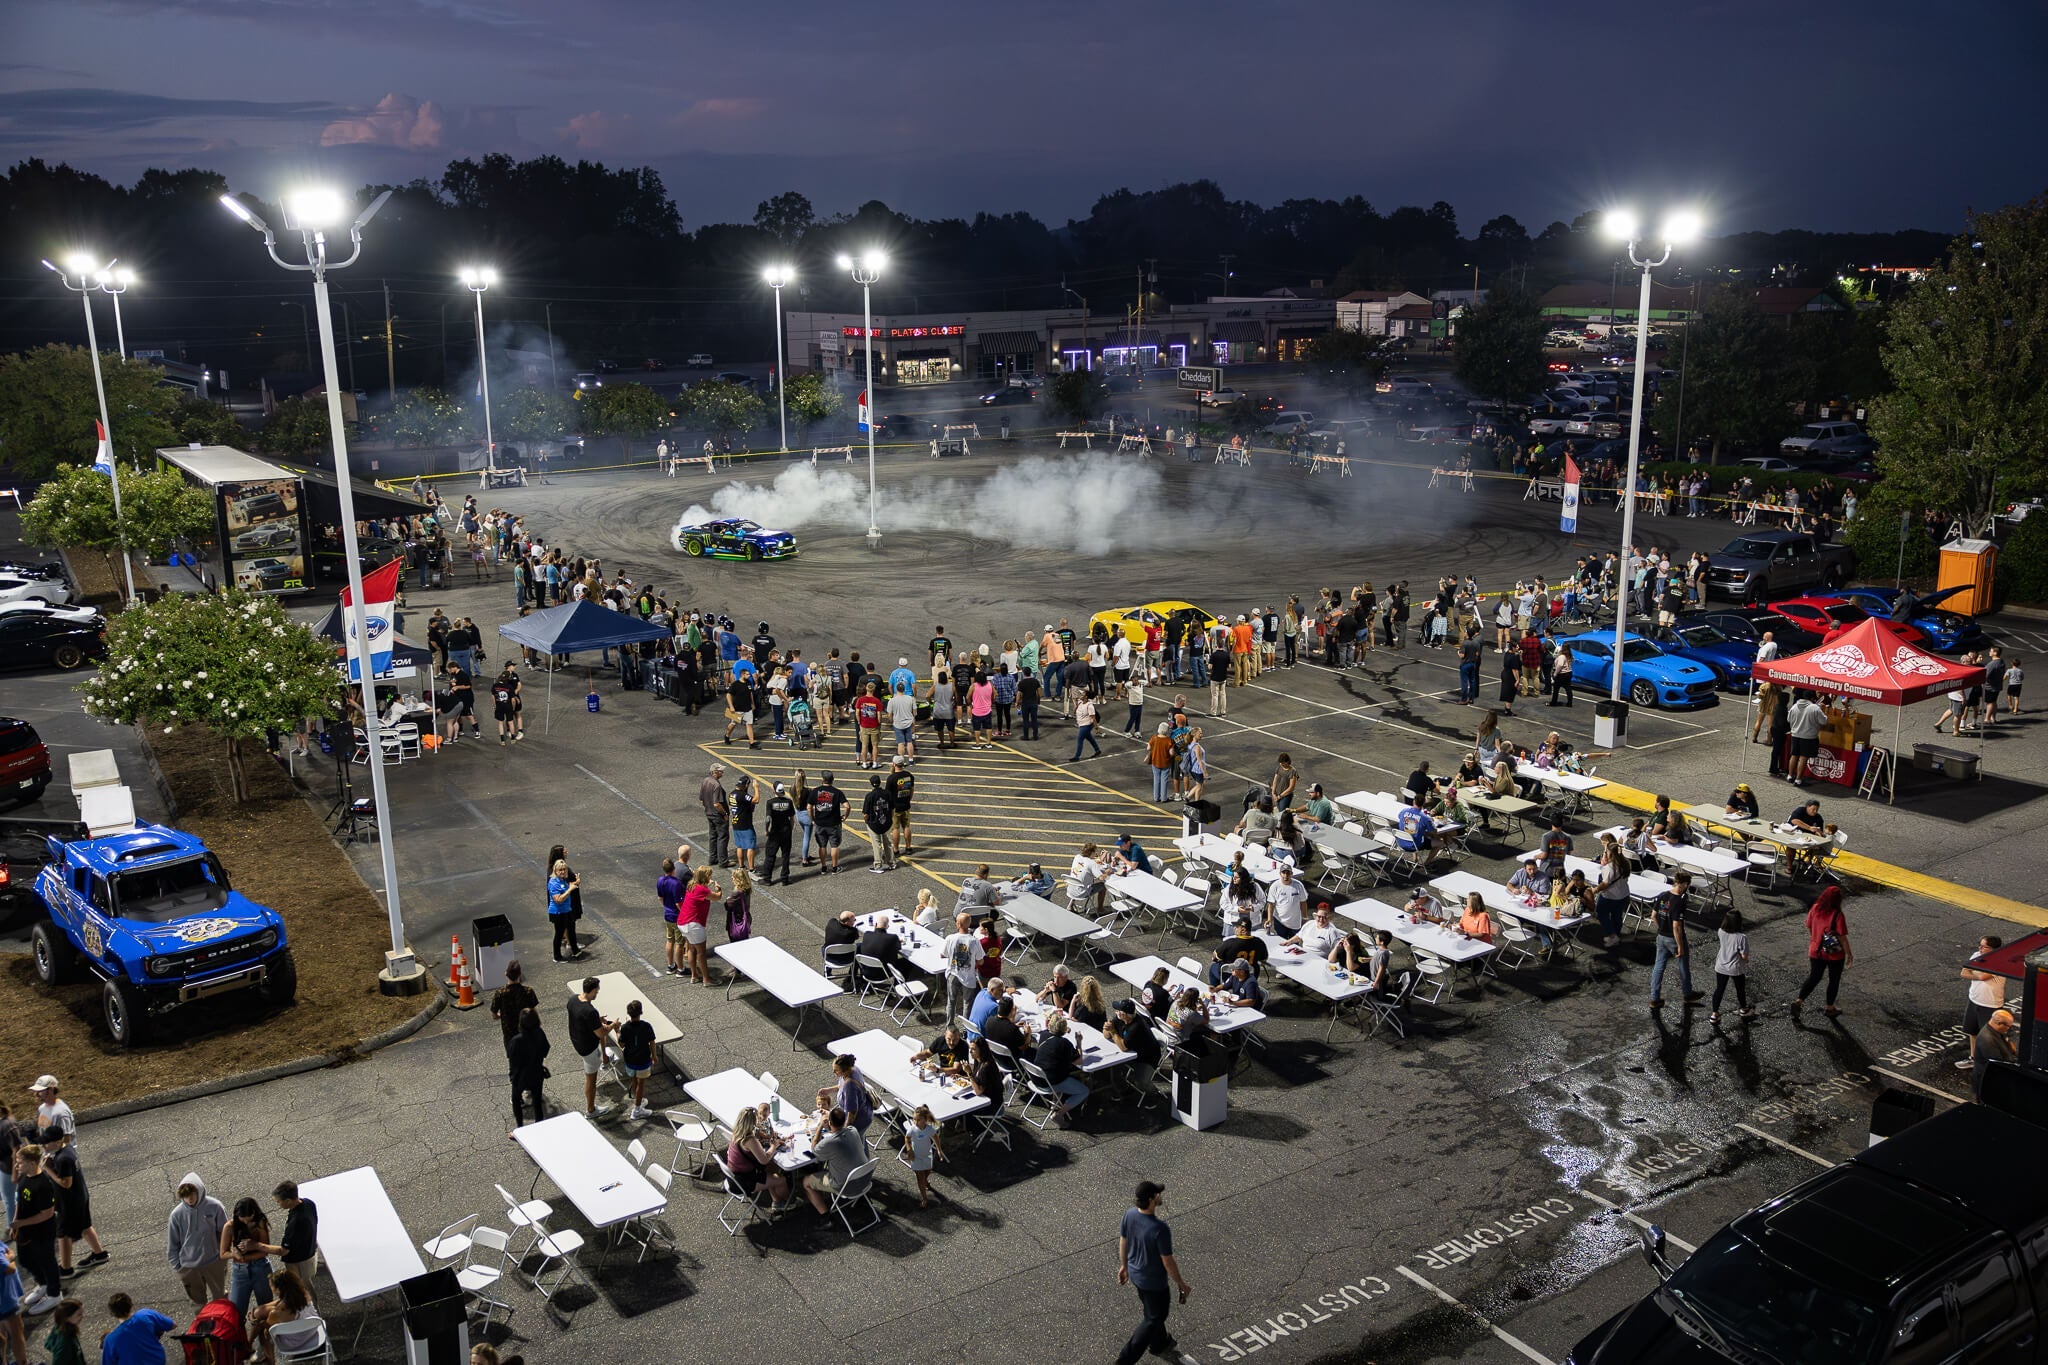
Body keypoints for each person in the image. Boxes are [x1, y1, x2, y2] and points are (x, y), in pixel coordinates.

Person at [1114, 1181, 1193, 1365]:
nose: (1160, 1196)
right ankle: (1125, 1360)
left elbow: (1123, 1240)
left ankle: (1159, 1343)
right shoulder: (1160, 1228)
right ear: (1151, 1200)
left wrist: (1124, 1266)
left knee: (1151, 1311)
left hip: (1135, 1275)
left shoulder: (1130, 1215)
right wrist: (1181, 1283)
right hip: (1154, 1283)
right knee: (1154, 1318)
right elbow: (1167, 1261)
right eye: (1157, 1194)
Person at [166, 1173, 229, 1308]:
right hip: (189, 1266)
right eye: (185, 1196)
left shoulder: (215, 1206)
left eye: (192, 1194)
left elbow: (225, 1232)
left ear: (199, 1190)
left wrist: (222, 1257)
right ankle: (203, 1327)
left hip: (213, 1261)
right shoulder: (176, 1215)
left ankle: (223, 1325)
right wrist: (179, 1267)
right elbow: (173, 1243)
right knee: (198, 1304)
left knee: (220, 1298)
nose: (189, 1199)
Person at [1792, 886, 1852, 1017]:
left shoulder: (1815, 908)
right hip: (1834, 954)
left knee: (1814, 977)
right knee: (1833, 980)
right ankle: (1830, 1008)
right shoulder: (1837, 915)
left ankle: (1799, 1001)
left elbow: (1809, 926)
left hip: (1816, 950)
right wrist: (1849, 954)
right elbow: (1842, 938)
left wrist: (1815, 939)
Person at [1648, 873, 1703, 1009]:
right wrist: (1680, 946)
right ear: (1684, 884)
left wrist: (1661, 928)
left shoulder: (1663, 895)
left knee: (1658, 967)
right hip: (1674, 938)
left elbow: (1653, 915)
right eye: (1687, 885)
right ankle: (1687, 994)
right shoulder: (1679, 901)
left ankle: (1654, 998)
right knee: (1683, 966)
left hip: (1661, 936)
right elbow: (1676, 926)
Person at [802, 1108, 870, 1216]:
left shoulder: (830, 1142)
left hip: (846, 1186)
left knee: (806, 1182)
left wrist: (820, 1125)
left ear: (830, 1122)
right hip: (865, 1180)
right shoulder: (853, 1130)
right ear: (844, 1120)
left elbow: (814, 1149)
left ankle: (825, 1216)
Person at [726, 1106, 793, 1209]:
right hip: (744, 1181)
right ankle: (788, 1204)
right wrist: (774, 1146)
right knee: (782, 1180)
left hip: (733, 1177)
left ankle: (776, 1201)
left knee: (772, 1168)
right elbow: (764, 1160)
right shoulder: (749, 1140)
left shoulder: (737, 1133)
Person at [566, 976, 614, 1119]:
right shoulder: (590, 1011)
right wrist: (612, 1025)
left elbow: (580, 1017)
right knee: (591, 1081)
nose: (597, 994)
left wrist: (596, 1021)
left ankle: (591, 1107)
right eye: (597, 992)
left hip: (577, 1040)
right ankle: (591, 1110)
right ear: (592, 990)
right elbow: (601, 1033)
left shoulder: (573, 1000)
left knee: (591, 1077)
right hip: (589, 1049)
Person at [221, 1196, 274, 1322]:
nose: (245, 1223)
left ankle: (265, 1338)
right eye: (242, 1219)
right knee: (236, 1313)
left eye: (249, 1220)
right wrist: (234, 1254)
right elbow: (223, 1253)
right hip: (240, 1272)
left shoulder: (260, 1222)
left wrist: (248, 1252)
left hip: (261, 1268)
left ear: (254, 1214)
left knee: (266, 1309)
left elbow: (265, 1250)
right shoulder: (229, 1226)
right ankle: (240, 1339)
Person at [1959, 935, 2006, 1071]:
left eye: (1983, 946)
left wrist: (1973, 969)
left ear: (1993, 949)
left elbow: (1984, 976)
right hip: (1974, 999)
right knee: (1972, 1032)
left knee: (1990, 1037)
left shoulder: (1999, 961)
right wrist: (1977, 972)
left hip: (1990, 1004)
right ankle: (1974, 1058)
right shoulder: (1976, 954)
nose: (1979, 948)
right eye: (1979, 945)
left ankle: (1992, 1063)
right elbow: (1963, 972)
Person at [247, 1267, 313, 1362]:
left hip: (295, 1343)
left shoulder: (276, 1313)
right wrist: (258, 1311)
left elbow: (267, 1333)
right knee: (260, 1314)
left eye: (271, 1286)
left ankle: (269, 1360)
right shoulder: (304, 1294)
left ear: (278, 1290)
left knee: (263, 1331)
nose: (271, 1288)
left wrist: (257, 1323)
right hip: (311, 1334)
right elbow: (279, 1302)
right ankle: (249, 1344)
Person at [100, 1293, 175, 1365]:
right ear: (131, 1305)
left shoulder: (110, 1339)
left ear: (113, 1314)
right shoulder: (146, 1314)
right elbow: (172, 1325)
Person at [508, 1007, 550, 1135]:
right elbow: (546, 1049)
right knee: (537, 1100)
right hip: (537, 1071)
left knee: (516, 1099)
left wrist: (513, 1076)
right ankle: (539, 1125)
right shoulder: (539, 1033)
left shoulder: (517, 1040)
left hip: (520, 1076)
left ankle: (520, 1128)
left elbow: (513, 1059)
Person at [1711, 908, 1754, 1024]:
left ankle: (1714, 1014)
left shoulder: (1721, 931)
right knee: (1740, 989)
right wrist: (1746, 959)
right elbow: (1744, 956)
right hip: (1735, 968)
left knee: (1719, 989)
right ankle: (1744, 1009)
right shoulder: (1742, 937)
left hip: (1721, 965)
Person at [616, 1000, 657, 1120]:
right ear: (641, 1012)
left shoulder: (625, 1027)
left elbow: (622, 1044)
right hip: (643, 1059)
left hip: (630, 1059)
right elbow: (652, 1042)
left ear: (628, 1013)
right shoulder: (646, 1026)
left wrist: (617, 1031)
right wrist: (654, 1056)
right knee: (641, 1083)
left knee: (634, 1080)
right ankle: (637, 1109)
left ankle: (637, 1101)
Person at [678, 865, 718, 986]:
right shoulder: (703, 890)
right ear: (705, 877)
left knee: (691, 949)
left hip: (683, 922)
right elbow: (717, 897)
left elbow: (702, 891)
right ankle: (707, 979)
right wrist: (718, 889)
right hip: (694, 924)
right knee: (701, 952)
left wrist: (707, 884)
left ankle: (694, 975)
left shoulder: (691, 886)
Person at [815, 1054, 875, 1136]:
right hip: (865, 1112)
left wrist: (843, 1131)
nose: (834, 1072)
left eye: (836, 1070)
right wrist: (829, 1090)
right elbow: (841, 1085)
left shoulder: (850, 1086)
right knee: (861, 1141)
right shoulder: (852, 1069)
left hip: (859, 1122)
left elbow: (852, 1114)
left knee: (857, 1145)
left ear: (845, 1071)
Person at [900, 1104, 945, 1208]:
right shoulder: (912, 1129)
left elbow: (935, 1137)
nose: (915, 1122)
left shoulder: (929, 1129)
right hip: (916, 1157)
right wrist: (909, 1149)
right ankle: (924, 1198)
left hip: (926, 1155)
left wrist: (939, 1150)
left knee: (928, 1171)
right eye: (914, 1119)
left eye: (918, 1120)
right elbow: (907, 1138)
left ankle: (925, 1181)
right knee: (920, 1177)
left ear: (925, 1119)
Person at [1974, 1011, 2019, 1100]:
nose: (2009, 1029)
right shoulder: (1987, 1040)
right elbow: (1997, 1064)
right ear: (2000, 1024)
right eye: (2008, 1026)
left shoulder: (1995, 1030)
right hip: (1988, 1082)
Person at [1785, 690, 1825, 786]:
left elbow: (1788, 719)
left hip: (1795, 735)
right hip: (1808, 737)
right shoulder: (1815, 708)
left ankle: (1790, 776)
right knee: (1803, 757)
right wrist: (1823, 711)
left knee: (1794, 755)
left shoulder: (1794, 706)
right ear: (1812, 698)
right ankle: (1798, 780)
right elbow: (1823, 721)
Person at [761, 782, 796, 886]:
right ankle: (785, 878)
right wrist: (790, 829)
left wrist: (766, 830)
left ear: (774, 791)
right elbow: (792, 818)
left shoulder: (770, 802)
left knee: (770, 855)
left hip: (775, 832)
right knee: (785, 855)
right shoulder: (789, 802)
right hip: (786, 832)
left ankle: (767, 879)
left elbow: (768, 818)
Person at [885, 757, 917, 861]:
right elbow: (912, 789)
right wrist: (908, 800)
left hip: (895, 808)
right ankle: (908, 847)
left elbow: (888, 795)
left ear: (894, 764)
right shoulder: (909, 775)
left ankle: (896, 849)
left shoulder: (891, 778)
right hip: (906, 805)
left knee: (895, 828)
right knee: (906, 827)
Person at [37, 1294, 80, 1365]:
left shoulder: (63, 1327)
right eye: (79, 1314)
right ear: (67, 1317)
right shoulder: (65, 1344)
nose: (82, 1316)